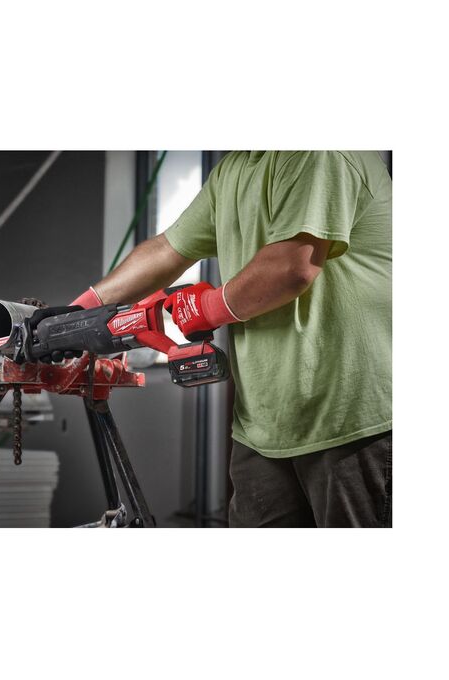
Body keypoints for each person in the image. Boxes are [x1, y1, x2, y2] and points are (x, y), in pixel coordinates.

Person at [68, 151, 392, 528]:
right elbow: (167, 250)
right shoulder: (234, 168)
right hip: (263, 426)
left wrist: (205, 307)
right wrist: (76, 314)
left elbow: (292, 267)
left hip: (352, 421)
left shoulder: (320, 152)